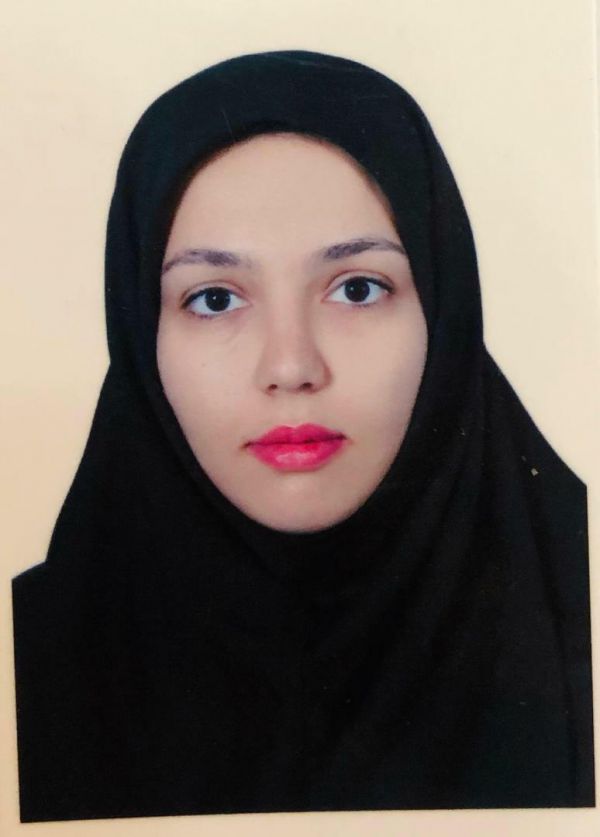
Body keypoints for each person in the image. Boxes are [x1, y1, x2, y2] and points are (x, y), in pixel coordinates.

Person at [12, 50, 594, 822]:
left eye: (358, 288)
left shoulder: (580, 595)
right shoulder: (25, 658)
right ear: (140, 330)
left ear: (444, 305)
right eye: (214, 299)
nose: (291, 366)